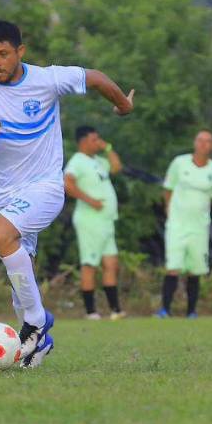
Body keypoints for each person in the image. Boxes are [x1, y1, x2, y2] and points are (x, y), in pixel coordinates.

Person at [0, 20, 134, 367]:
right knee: (21, 278)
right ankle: (38, 344)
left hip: (45, 187)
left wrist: (123, 106)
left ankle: (36, 321)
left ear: (20, 52)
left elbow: (94, 77)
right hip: (3, 197)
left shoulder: (46, 80)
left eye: (3, 54)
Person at [158, 130, 212, 319]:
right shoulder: (179, 163)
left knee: (195, 270)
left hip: (199, 228)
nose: (203, 144)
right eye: (200, 140)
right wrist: (170, 211)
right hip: (177, 225)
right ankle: (165, 310)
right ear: (195, 143)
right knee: (173, 267)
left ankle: (191, 311)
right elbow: (168, 189)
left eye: (208, 141)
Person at [64, 125, 125, 320]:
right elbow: (67, 183)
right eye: (93, 139)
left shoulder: (98, 161)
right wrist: (90, 201)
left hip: (106, 221)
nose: (97, 142)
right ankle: (91, 312)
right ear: (83, 141)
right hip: (89, 220)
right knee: (90, 263)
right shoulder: (77, 161)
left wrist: (107, 148)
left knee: (111, 263)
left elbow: (116, 167)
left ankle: (115, 310)